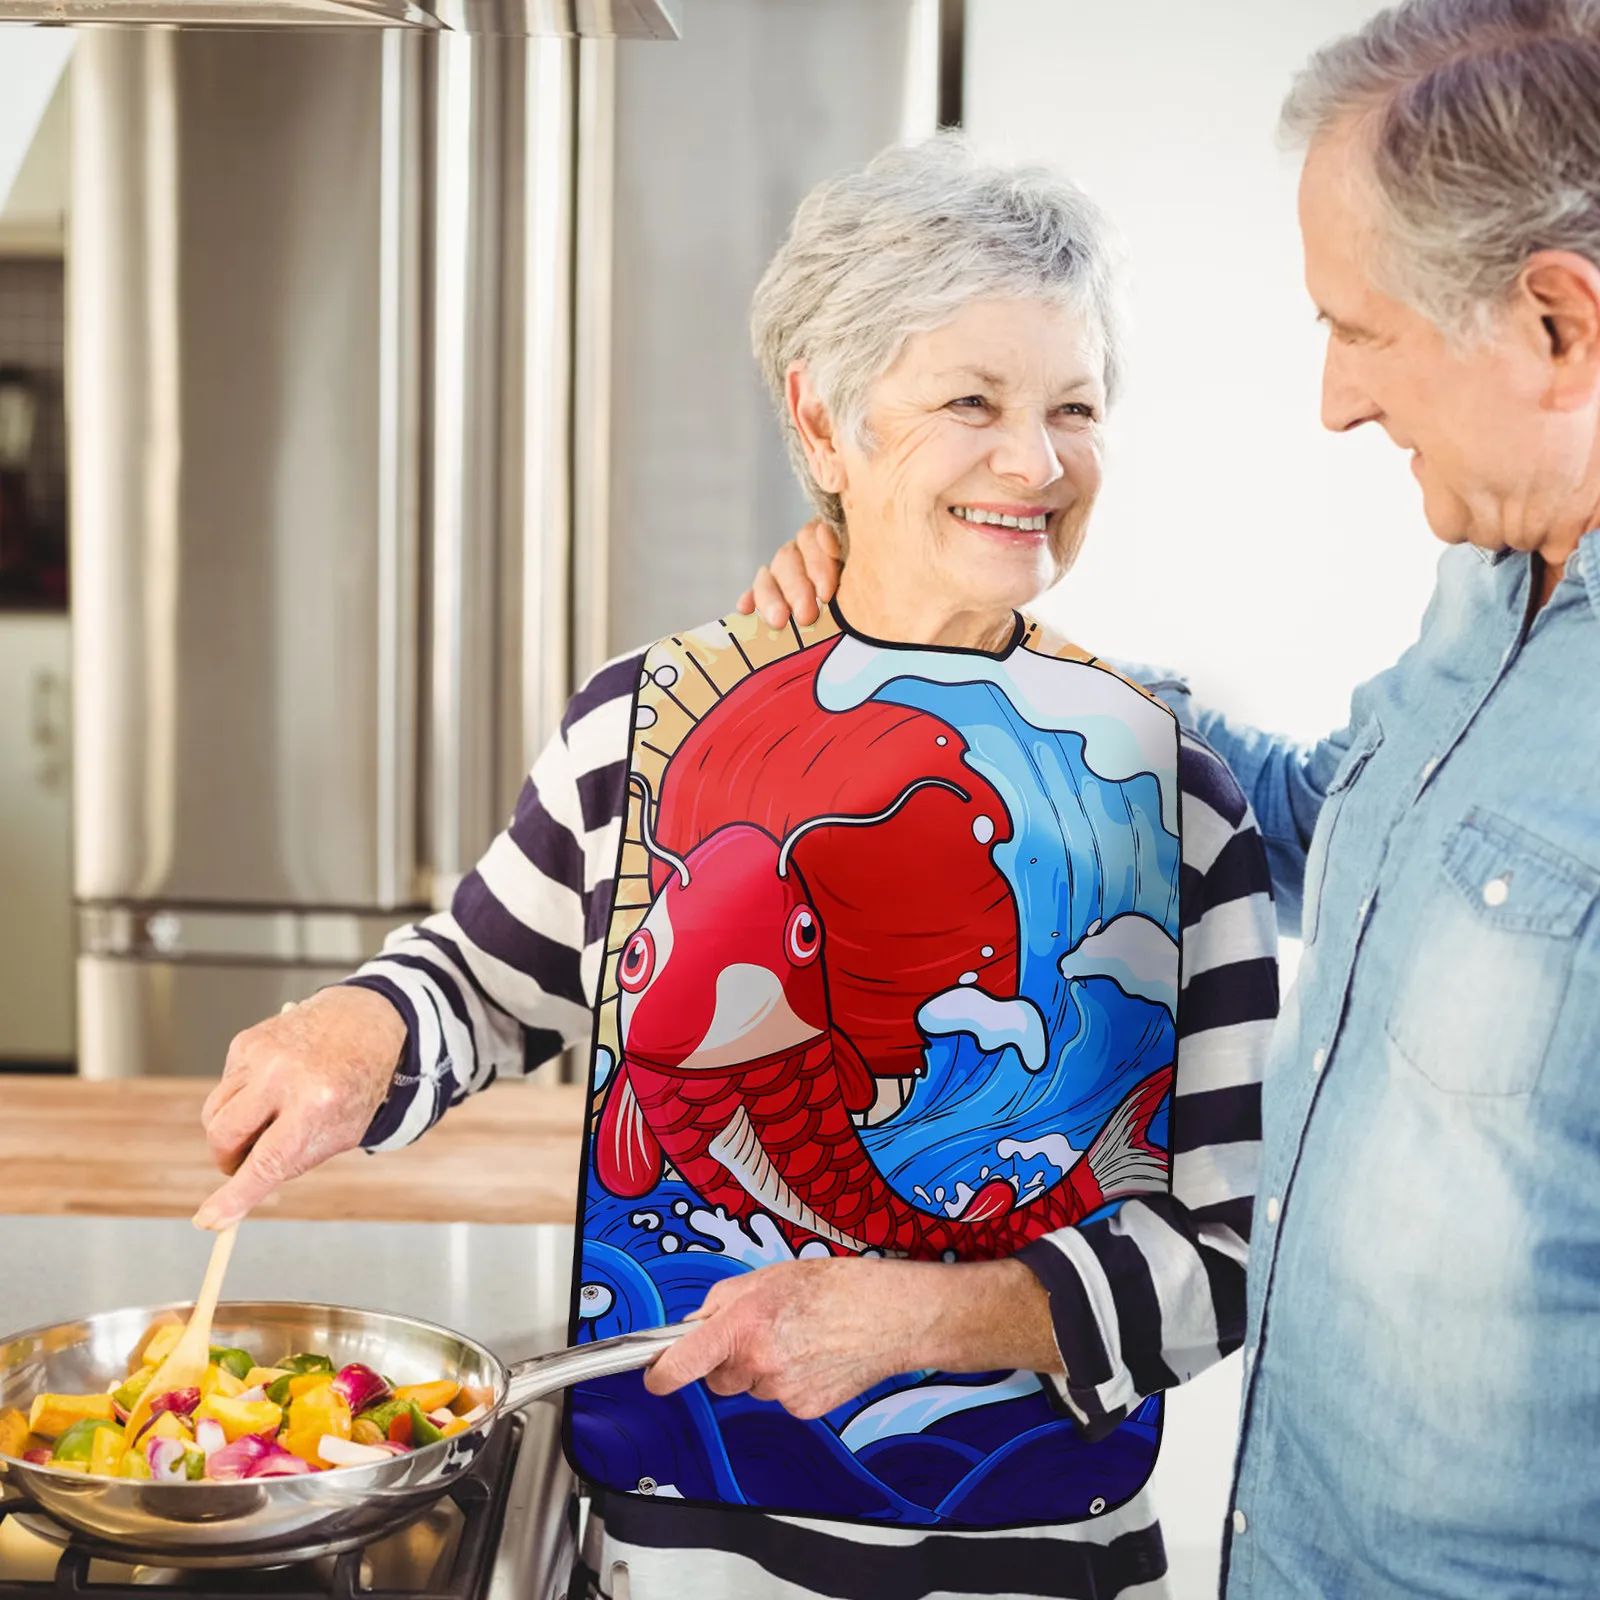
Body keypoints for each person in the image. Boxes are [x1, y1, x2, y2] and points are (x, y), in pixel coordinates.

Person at [193, 138, 1277, 1600]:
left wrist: (914, 1320)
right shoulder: (640, 721)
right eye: (973, 401)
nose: (1037, 461)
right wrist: (365, 1026)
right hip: (666, 1547)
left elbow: (1221, 1260)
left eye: (1073, 407)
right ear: (822, 422)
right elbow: (484, 984)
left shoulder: (1181, 788)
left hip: (1042, 1562)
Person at [745, 2, 1600, 1595]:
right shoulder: (1484, 589)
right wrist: (984, 655)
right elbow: (1328, 815)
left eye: (1363, 331)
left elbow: (1200, 1253)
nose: (1338, 400)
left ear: (1558, 322)